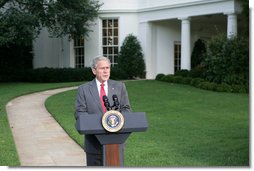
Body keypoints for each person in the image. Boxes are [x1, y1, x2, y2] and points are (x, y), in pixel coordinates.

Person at [75, 56, 131, 166]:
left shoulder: (120, 87)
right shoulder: (84, 89)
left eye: (108, 68)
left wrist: (116, 124)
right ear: (94, 70)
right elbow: (80, 113)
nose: (106, 71)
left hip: (116, 141)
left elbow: (126, 109)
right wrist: (98, 124)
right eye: (102, 68)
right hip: (94, 143)